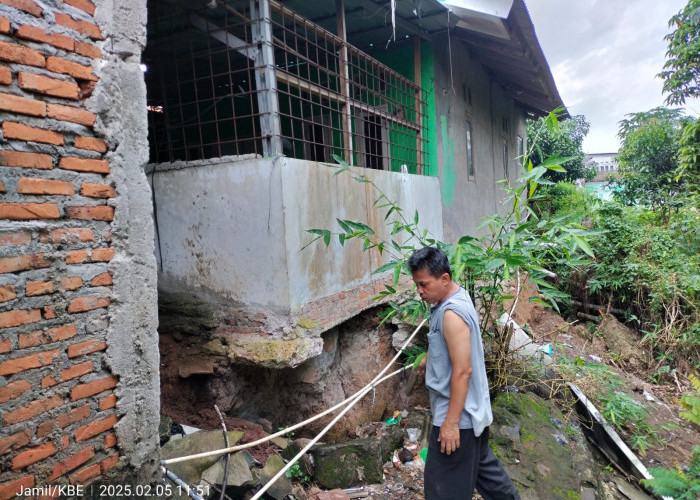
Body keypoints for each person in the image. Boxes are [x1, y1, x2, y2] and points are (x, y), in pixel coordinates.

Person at [408, 246, 520, 500]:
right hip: (474, 415)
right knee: (488, 477)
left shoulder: (450, 314)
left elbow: (463, 371)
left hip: (457, 419)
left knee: (442, 490)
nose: (420, 291)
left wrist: (450, 423)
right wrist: (432, 358)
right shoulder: (458, 297)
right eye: (417, 284)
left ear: (444, 279)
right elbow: (457, 352)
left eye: (424, 284)